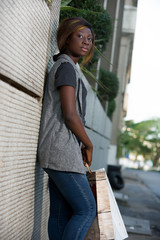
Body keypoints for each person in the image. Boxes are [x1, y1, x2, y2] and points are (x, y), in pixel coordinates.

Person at [38, 17, 96, 240]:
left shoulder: (68, 67)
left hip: (57, 152)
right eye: (79, 36)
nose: (86, 42)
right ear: (65, 38)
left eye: (89, 39)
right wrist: (88, 144)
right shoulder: (66, 68)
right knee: (86, 210)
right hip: (62, 152)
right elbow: (70, 116)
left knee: (60, 215)